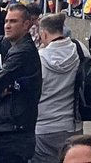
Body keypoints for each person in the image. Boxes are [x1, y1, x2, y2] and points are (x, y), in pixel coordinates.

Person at [0, 4, 43, 163]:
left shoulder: (22, 52)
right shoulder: (18, 48)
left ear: (26, 25)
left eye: (13, 21)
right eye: (6, 21)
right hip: (13, 129)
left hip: (14, 132)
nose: (7, 25)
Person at [33, 13, 83, 163]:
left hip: (44, 127)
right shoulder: (80, 50)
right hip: (74, 125)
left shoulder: (38, 59)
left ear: (44, 33)